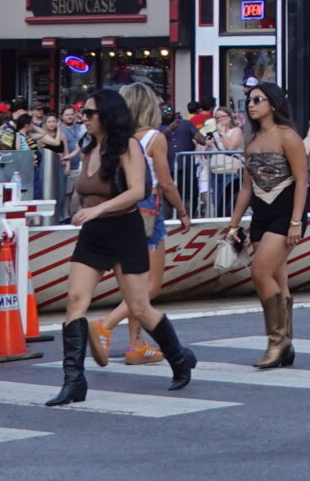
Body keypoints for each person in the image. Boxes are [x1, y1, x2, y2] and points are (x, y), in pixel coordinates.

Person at [45, 87, 197, 404]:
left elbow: (138, 190)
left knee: (139, 306)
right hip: (93, 234)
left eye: (90, 113)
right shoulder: (88, 146)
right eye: (82, 113)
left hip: (125, 231)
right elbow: (85, 188)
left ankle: (178, 358)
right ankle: (73, 381)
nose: (84, 118)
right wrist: (79, 208)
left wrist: (98, 208)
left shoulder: (128, 146)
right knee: (75, 300)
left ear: (108, 115)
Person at [90, 83, 190, 369]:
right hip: (148, 210)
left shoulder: (116, 140)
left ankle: (136, 343)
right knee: (151, 286)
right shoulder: (154, 138)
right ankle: (106, 325)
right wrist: (182, 211)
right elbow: (166, 182)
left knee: (135, 283)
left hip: (121, 212)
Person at [236, 83, 310, 371]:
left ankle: (276, 342)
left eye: (258, 99)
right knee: (278, 280)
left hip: (286, 212)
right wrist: (232, 224)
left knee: (260, 272)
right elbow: (246, 187)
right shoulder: (252, 141)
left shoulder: (288, 136)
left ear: (273, 103)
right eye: (249, 100)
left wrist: (296, 222)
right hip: (261, 214)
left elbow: (302, 181)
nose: (251, 104)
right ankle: (286, 343)